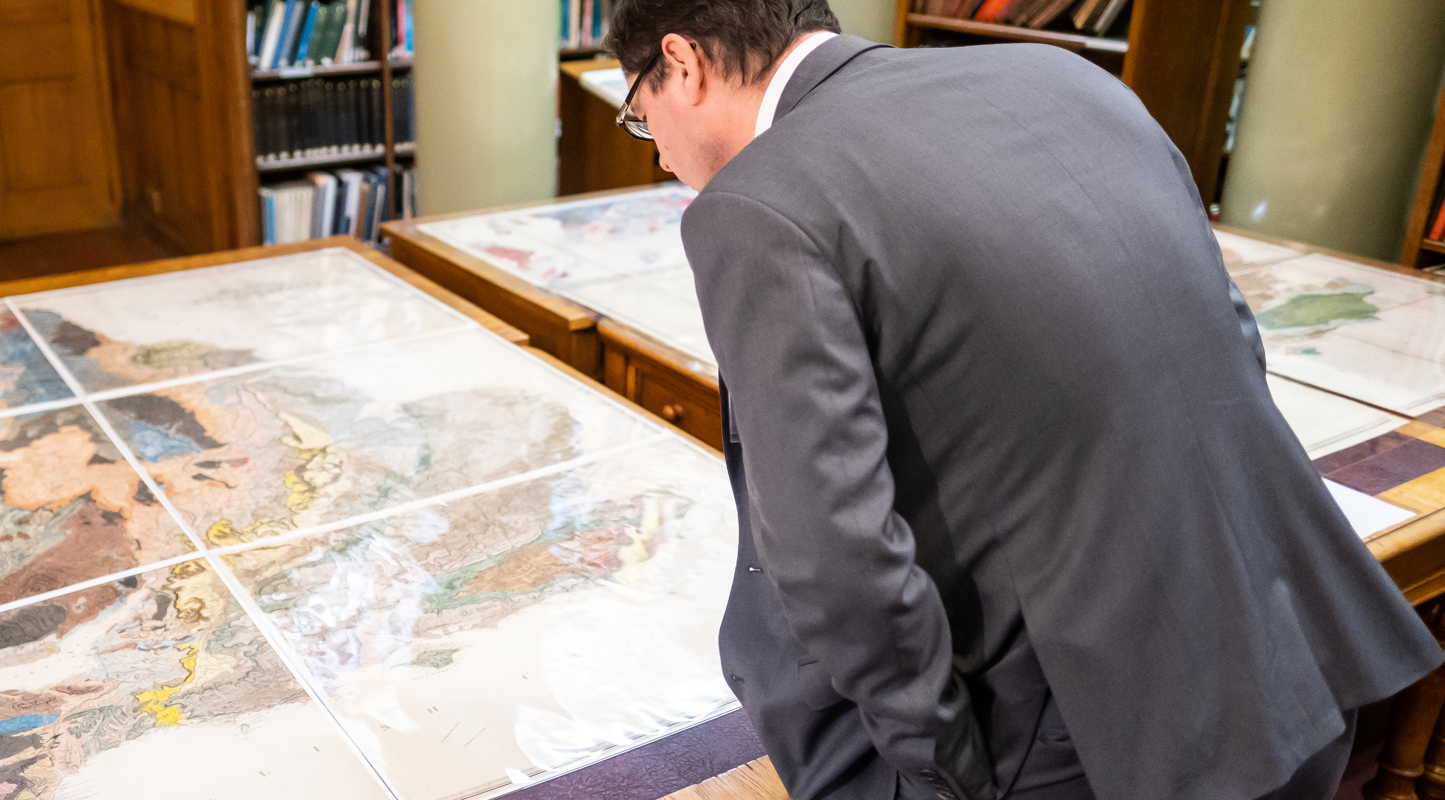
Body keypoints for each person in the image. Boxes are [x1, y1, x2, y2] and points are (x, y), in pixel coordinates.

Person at [603, 2, 1445, 799]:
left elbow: (838, 561)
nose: (658, 150)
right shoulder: (1066, 78)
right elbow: (1232, 338)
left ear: (684, 63)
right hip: (1294, 640)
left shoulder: (757, 203)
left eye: (640, 113)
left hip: (1092, 738)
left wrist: (947, 775)